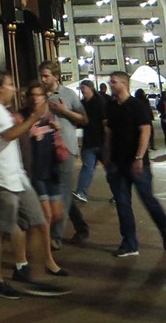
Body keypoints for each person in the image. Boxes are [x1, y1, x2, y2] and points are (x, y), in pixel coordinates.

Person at [0, 69, 68, 299]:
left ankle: (31, 273)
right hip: (0, 180)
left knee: (38, 221)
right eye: (9, 84)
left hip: (17, 177)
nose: (14, 89)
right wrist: (35, 117)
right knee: (0, 228)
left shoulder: (4, 111)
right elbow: (9, 135)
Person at [103, 70, 166, 257]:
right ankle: (129, 243)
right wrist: (108, 156)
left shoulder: (136, 105)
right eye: (110, 82)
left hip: (136, 162)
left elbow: (145, 131)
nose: (111, 84)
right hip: (117, 162)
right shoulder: (112, 106)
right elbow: (109, 133)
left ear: (124, 84)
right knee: (122, 203)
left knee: (147, 199)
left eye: (114, 82)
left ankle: (165, 227)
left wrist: (139, 157)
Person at [16, 82, 68, 277]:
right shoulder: (22, 117)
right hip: (34, 171)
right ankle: (47, 260)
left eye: (39, 95)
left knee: (57, 215)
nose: (36, 98)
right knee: (45, 218)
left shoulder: (49, 115)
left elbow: (56, 138)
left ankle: (21, 246)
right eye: (33, 95)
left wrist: (58, 128)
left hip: (51, 169)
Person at [37, 61, 89, 246]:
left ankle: (55, 236)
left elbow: (84, 119)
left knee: (63, 191)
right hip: (44, 149)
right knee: (59, 192)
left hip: (65, 147)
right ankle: (81, 226)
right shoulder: (39, 95)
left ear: (56, 76)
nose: (43, 80)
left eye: (46, 76)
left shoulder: (68, 94)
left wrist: (64, 111)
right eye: (41, 76)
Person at [73, 78, 105, 204]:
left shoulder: (99, 102)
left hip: (101, 140)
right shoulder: (81, 104)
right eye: (81, 88)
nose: (82, 90)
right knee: (87, 166)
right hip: (89, 140)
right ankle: (81, 192)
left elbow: (104, 120)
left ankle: (118, 192)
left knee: (110, 169)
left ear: (90, 88)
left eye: (83, 88)